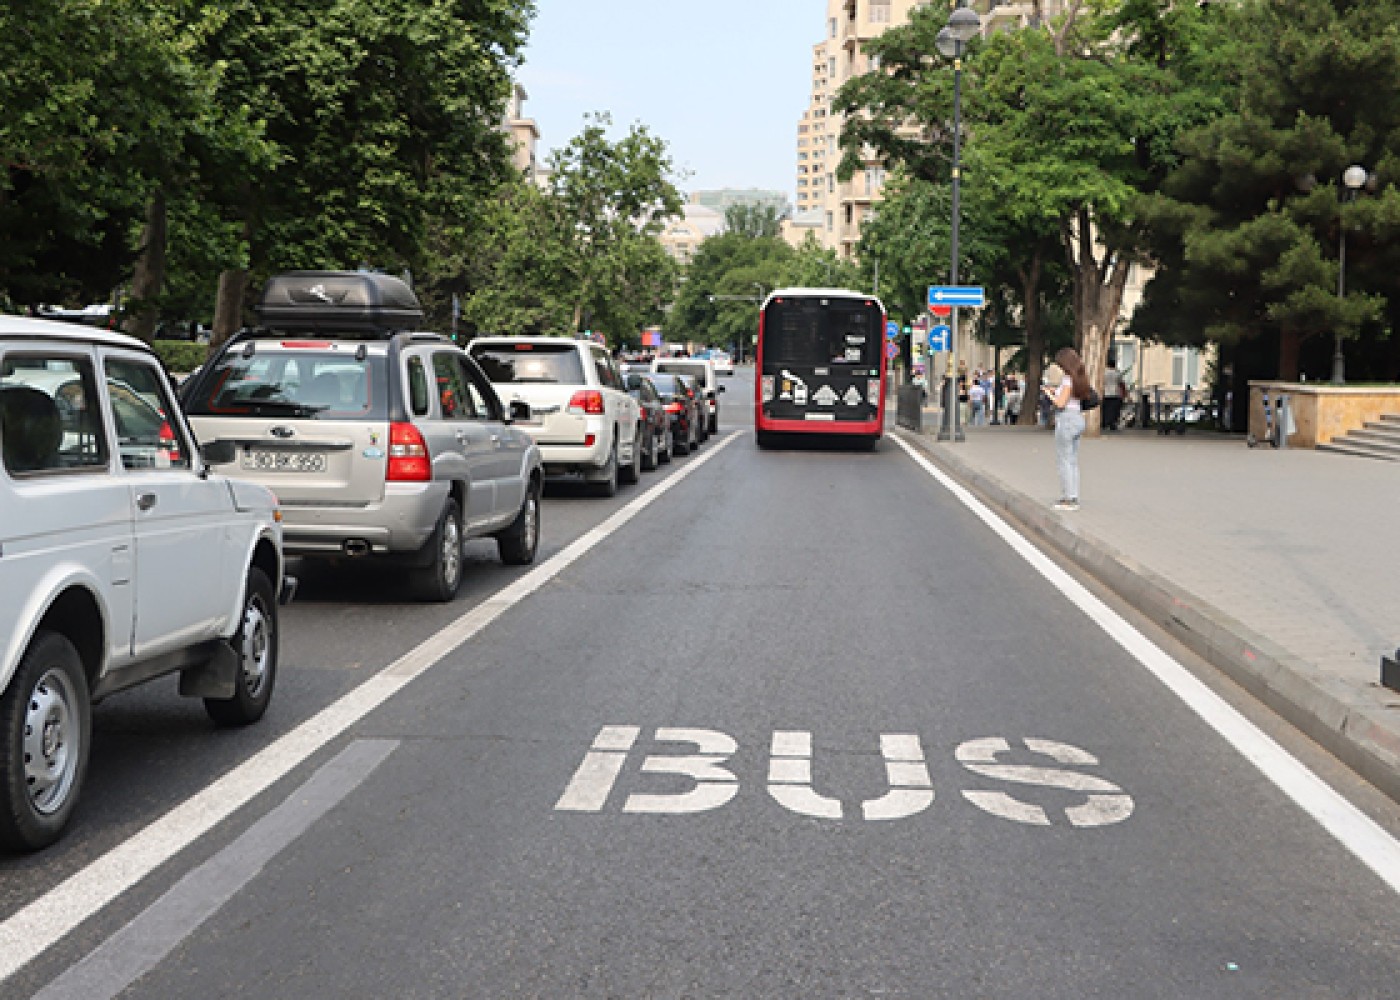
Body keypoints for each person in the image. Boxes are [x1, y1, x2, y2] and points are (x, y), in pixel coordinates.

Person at [1044, 347, 1091, 510]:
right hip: (1078, 418)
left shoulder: (1066, 379)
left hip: (1066, 419)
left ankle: (1068, 499)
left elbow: (1060, 403)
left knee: (1064, 460)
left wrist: (1049, 394)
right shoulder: (1080, 379)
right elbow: (1070, 397)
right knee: (1072, 461)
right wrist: (1055, 392)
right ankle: (1074, 495)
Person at [1102, 353, 1125, 431]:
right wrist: (1124, 394)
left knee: (1105, 409)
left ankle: (1104, 423)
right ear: (1114, 365)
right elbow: (1121, 384)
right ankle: (1112, 423)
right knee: (1114, 410)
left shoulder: (1103, 373)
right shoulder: (1117, 373)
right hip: (1115, 394)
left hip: (1105, 393)